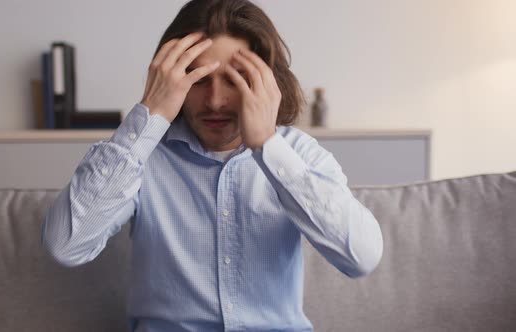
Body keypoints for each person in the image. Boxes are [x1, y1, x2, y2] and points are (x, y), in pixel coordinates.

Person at [42, 0, 383, 330]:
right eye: (199, 79)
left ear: (266, 82)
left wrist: (267, 145)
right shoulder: (141, 156)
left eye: (234, 80)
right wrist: (151, 115)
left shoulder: (299, 155)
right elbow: (67, 246)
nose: (216, 101)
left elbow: (361, 258)